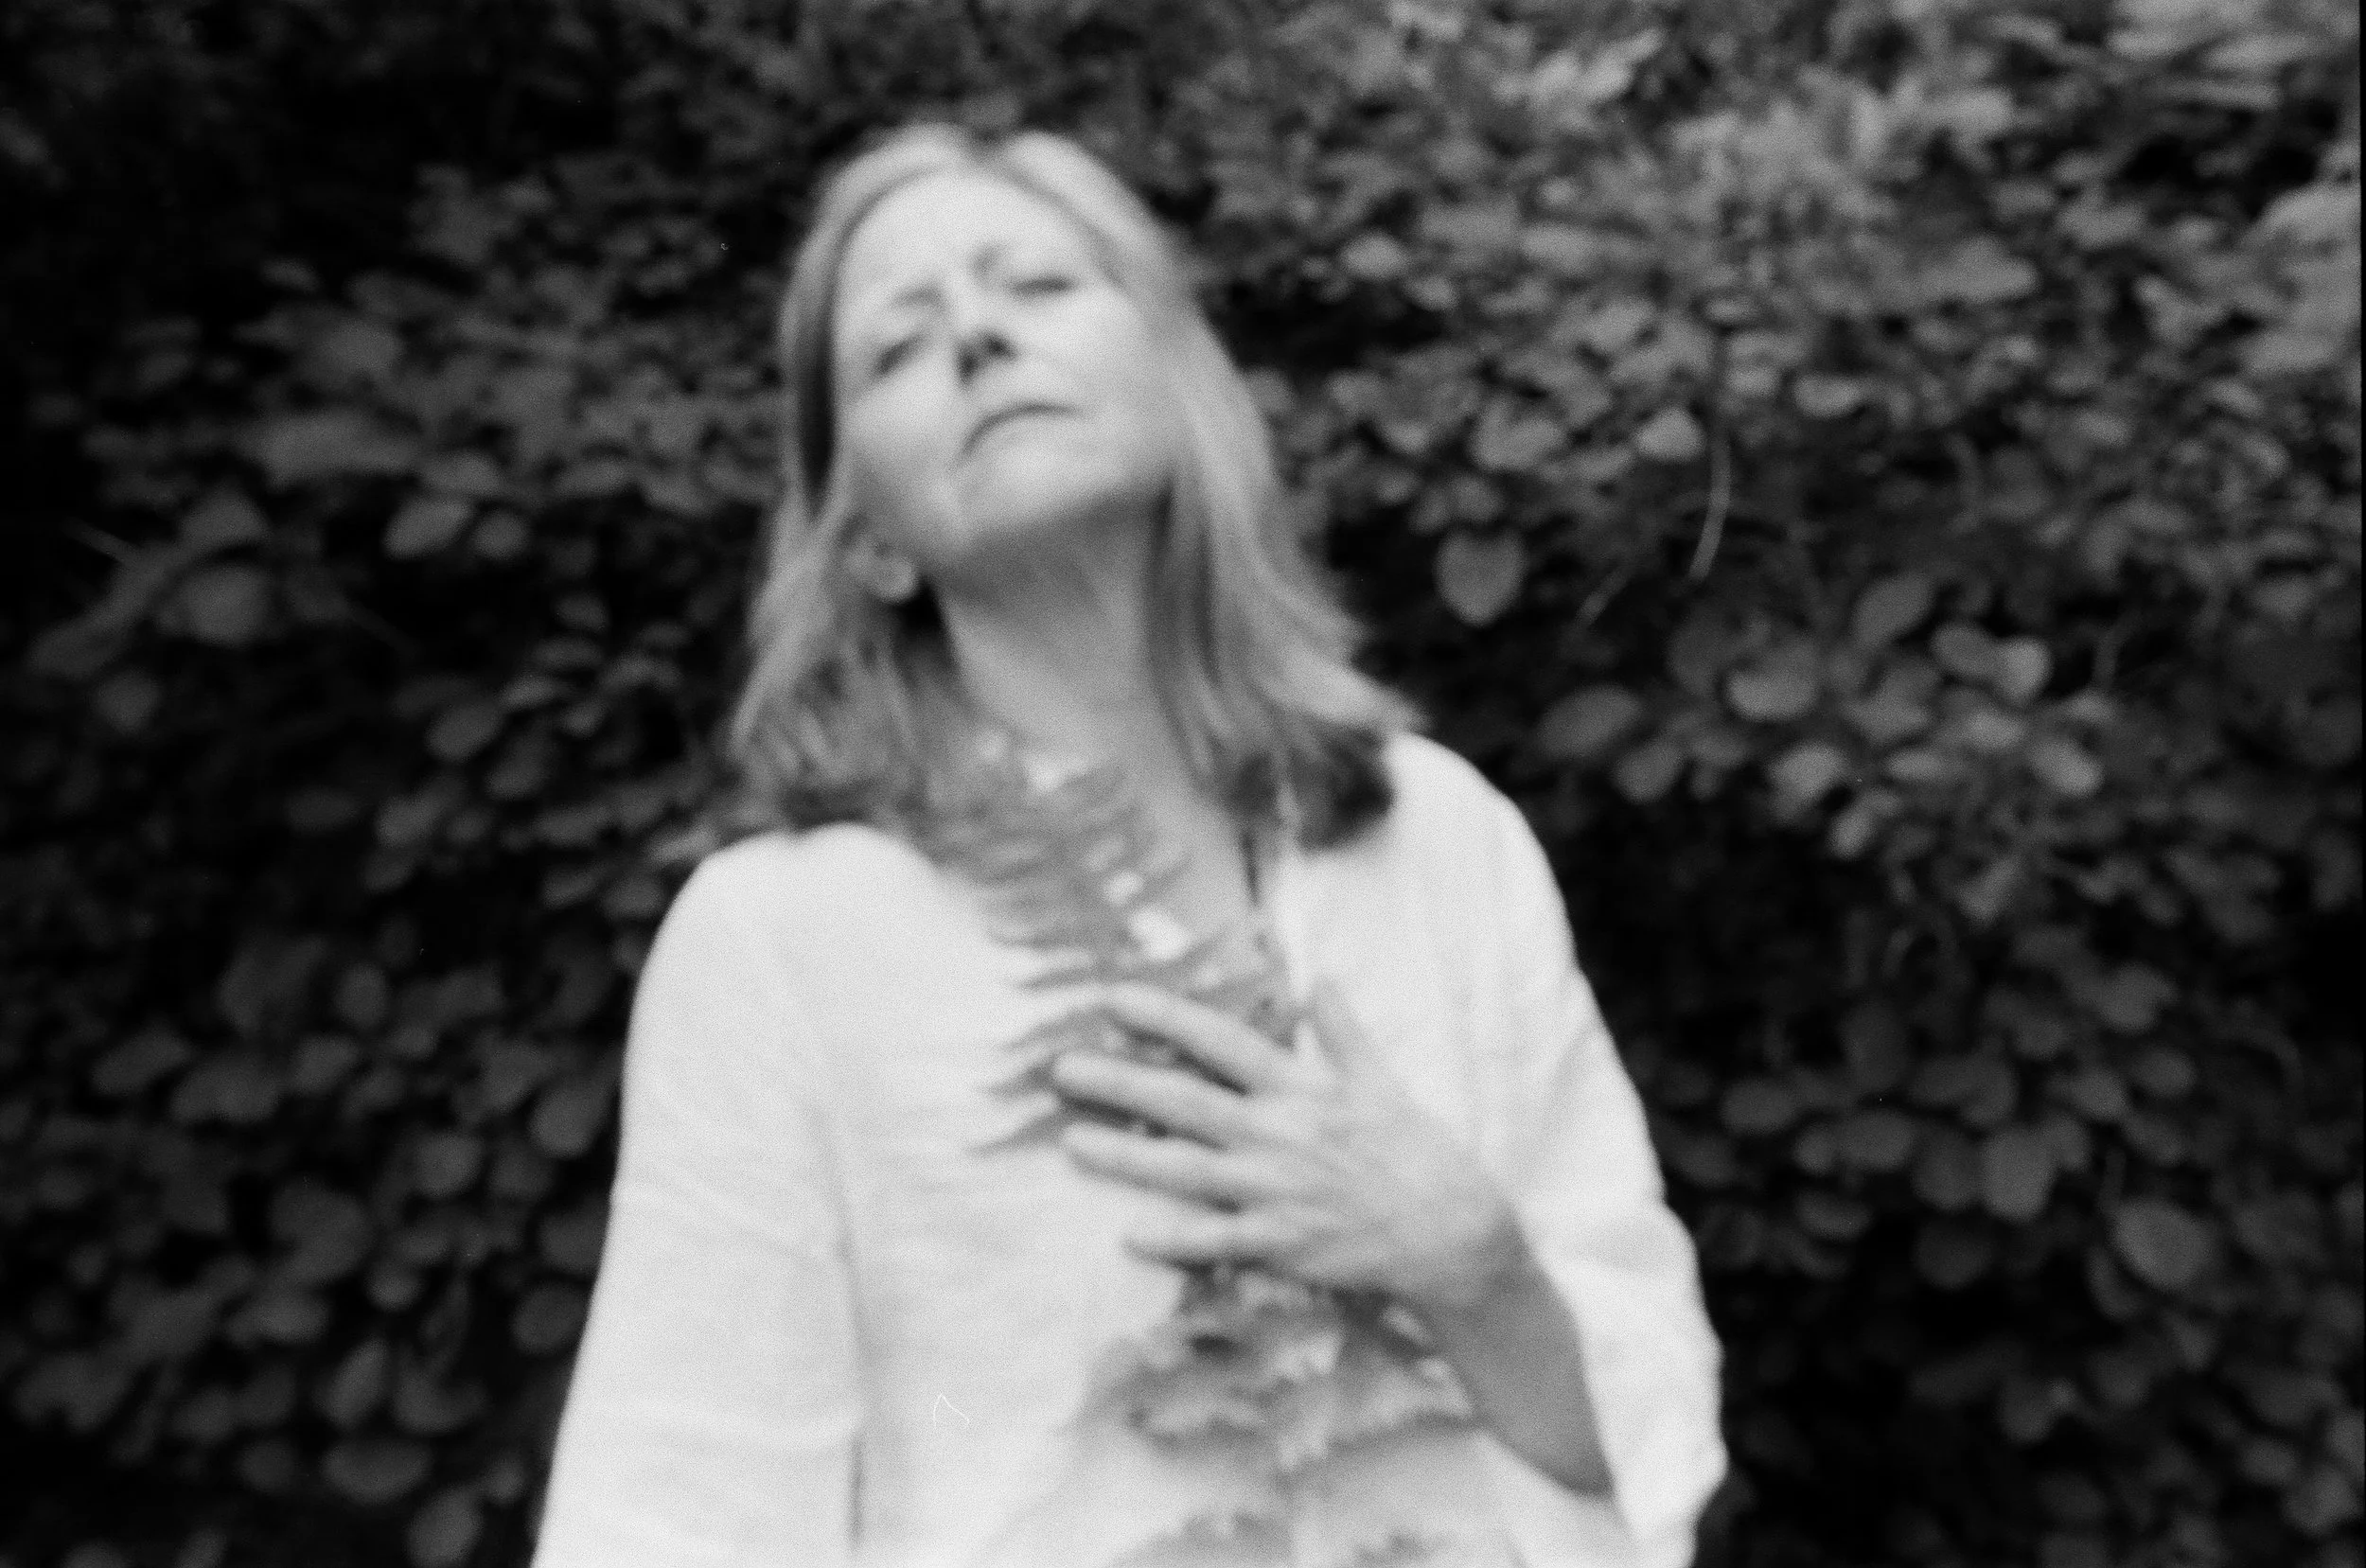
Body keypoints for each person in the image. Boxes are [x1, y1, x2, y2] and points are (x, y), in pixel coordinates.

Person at [530, 122, 1726, 1568]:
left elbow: (1640, 1438)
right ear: (869, 543)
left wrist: (1469, 1263)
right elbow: (675, 1512)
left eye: (1036, 285)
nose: (976, 335)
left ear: (1179, 385)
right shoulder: (784, 940)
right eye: (898, 348)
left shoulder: (1437, 839)